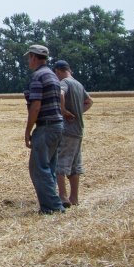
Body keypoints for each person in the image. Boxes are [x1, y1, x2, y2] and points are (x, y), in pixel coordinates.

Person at [23, 44, 66, 214]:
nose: (28, 60)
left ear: (34, 57)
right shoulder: (53, 76)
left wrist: (28, 130)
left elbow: (35, 106)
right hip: (57, 125)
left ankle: (53, 207)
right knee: (49, 168)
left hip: (46, 127)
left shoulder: (38, 77)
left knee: (39, 169)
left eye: (29, 57)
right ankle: (52, 204)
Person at [53, 59, 93, 208]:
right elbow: (89, 101)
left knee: (59, 163)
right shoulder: (78, 84)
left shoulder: (65, 82)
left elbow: (60, 94)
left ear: (58, 71)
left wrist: (63, 111)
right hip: (78, 130)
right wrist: (78, 113)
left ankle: (63, 196)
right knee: (75, 165)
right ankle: (74, 197)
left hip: (67, 129)